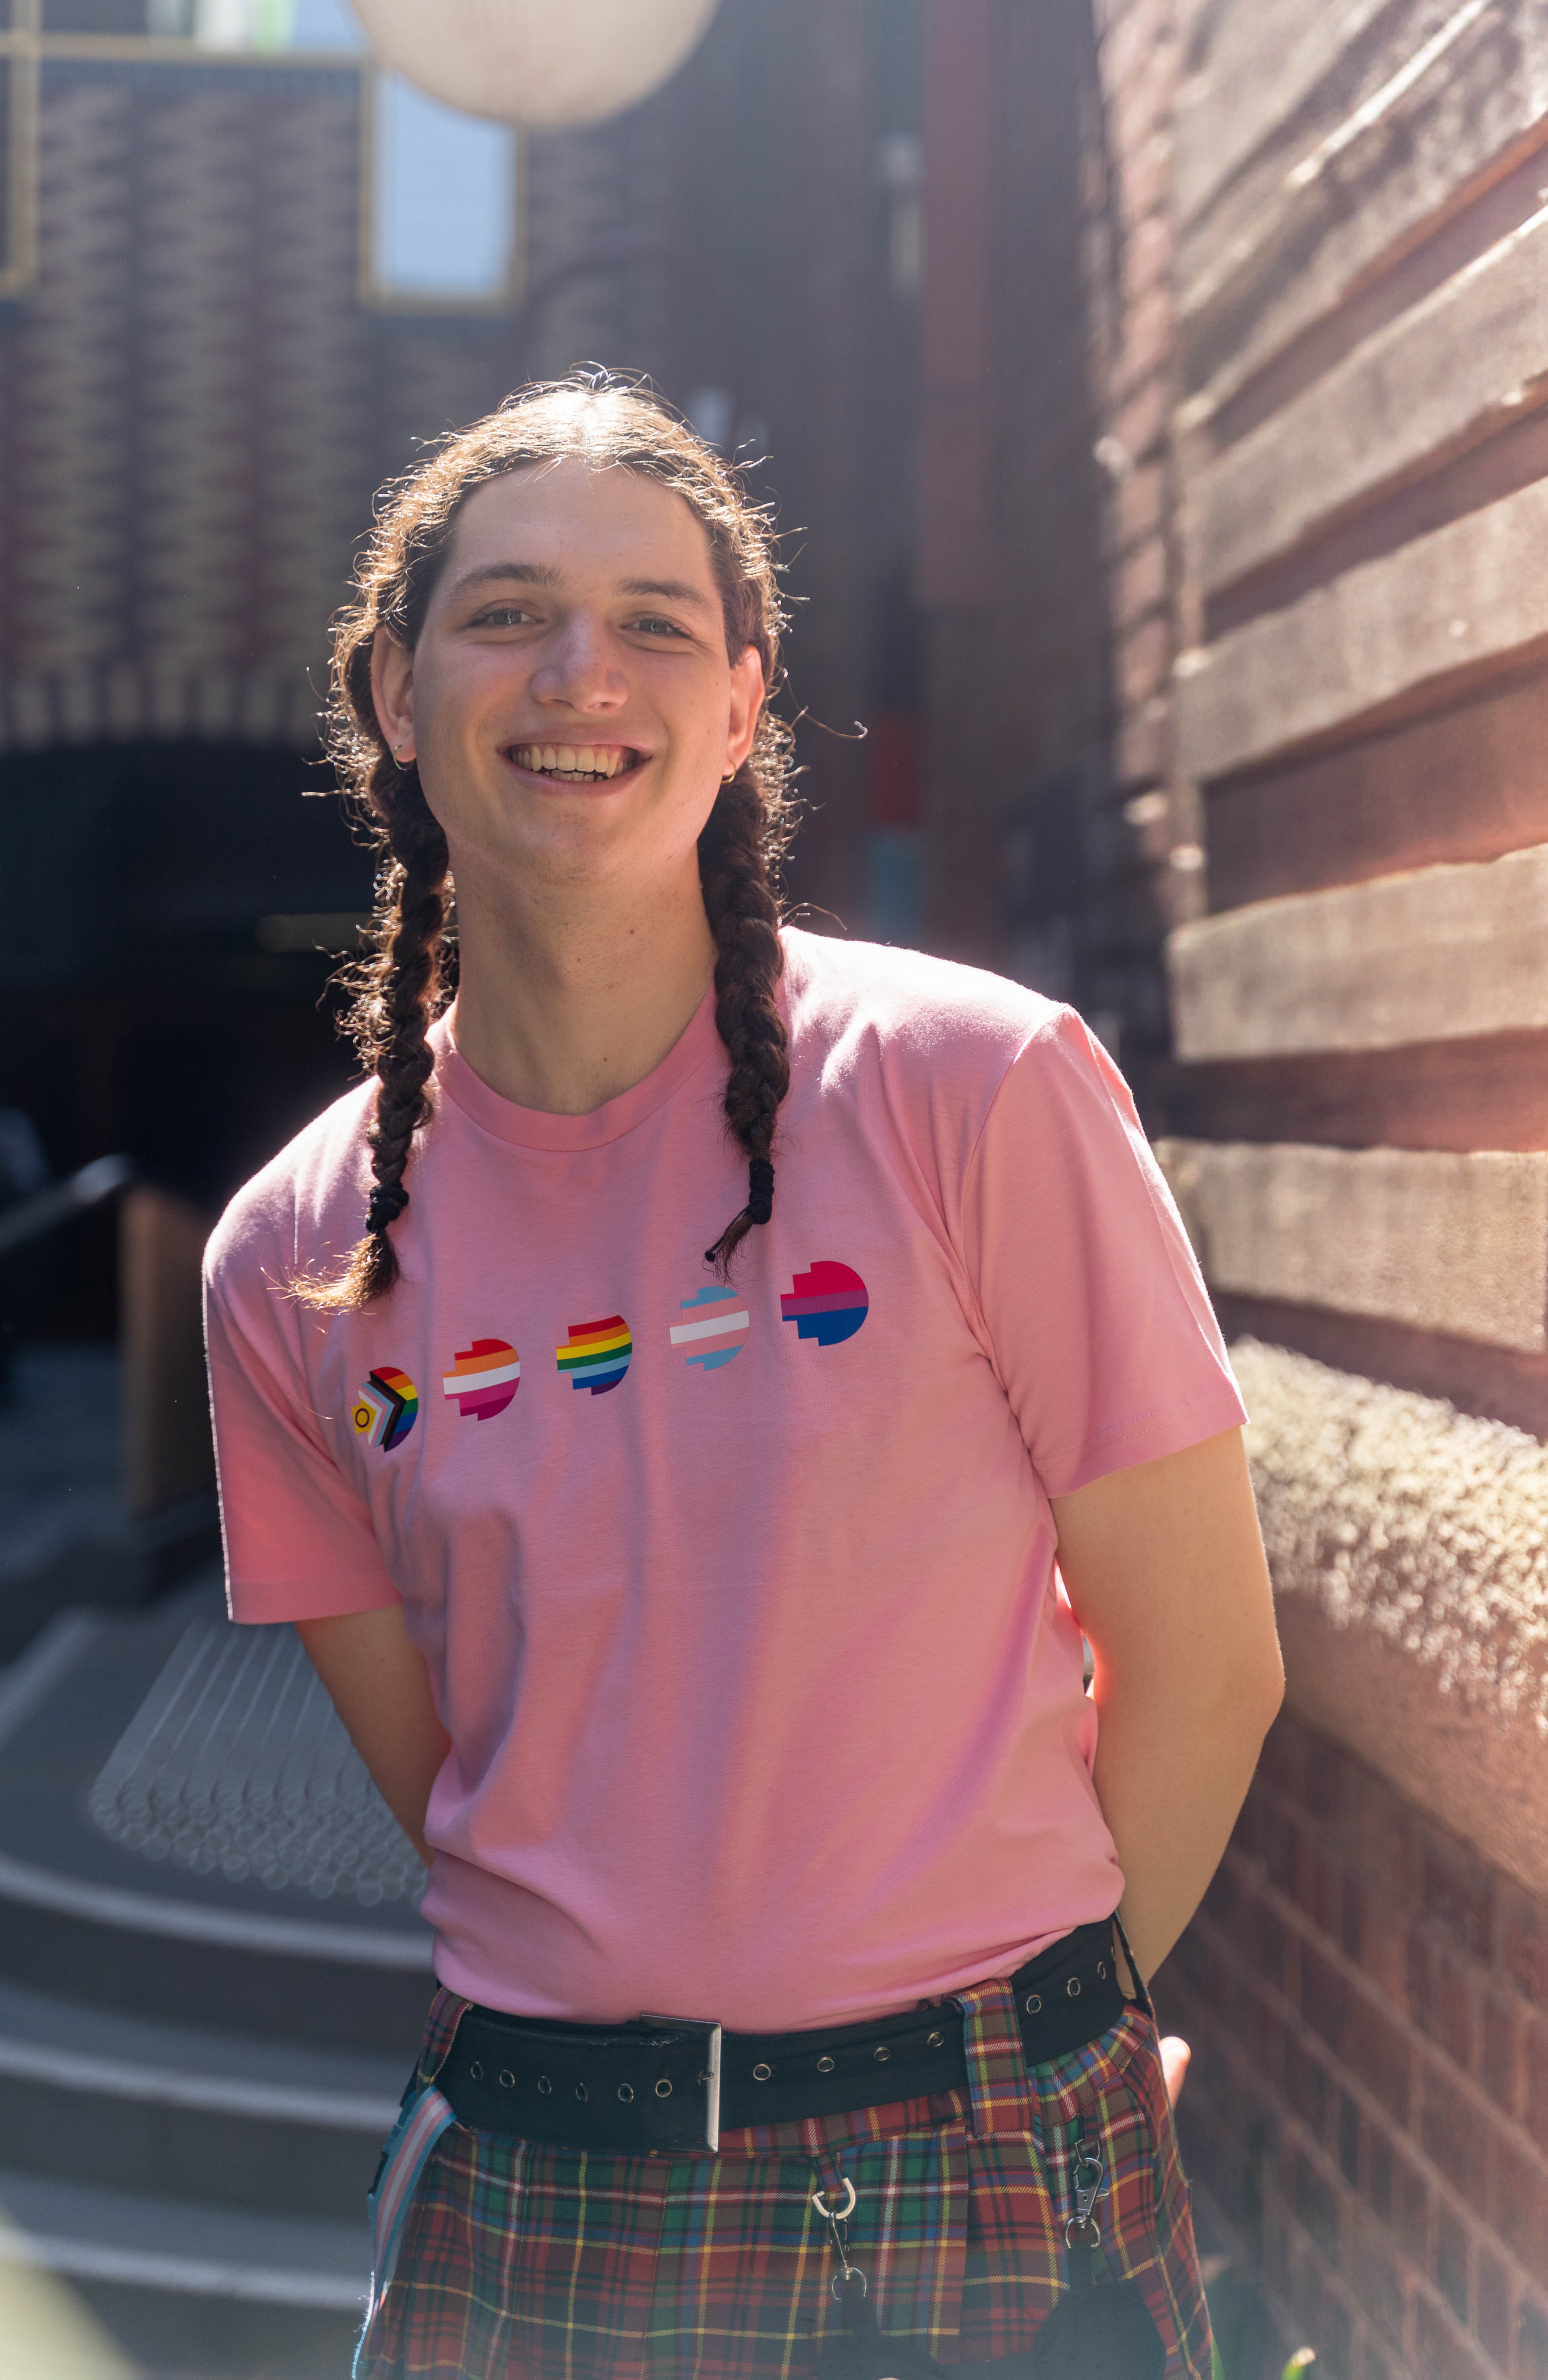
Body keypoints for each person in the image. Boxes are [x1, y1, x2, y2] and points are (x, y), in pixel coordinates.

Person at [203, 375, 1283, 2380]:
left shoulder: (978, 1088)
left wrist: (1049, 2036)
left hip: (984, 2182)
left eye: (654, 621)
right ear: (394, 690)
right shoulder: (288, 1258)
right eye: (507, 612)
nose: (579, 672)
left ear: (738, 705)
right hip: (540, 2188)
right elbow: (467, 1788)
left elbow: (1208, 1666)